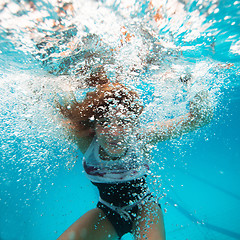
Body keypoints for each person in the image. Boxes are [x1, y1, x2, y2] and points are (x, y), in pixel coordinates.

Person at [56, 69, 213, 240]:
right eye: (105, 122)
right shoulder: (86, 141)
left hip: (145, 207)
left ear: (133, 124)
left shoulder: (142, 138)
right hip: (107, 210)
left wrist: (192, 80)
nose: (114, 133)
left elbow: (199, 119)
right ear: (94, 126)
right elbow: (64, 102)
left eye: (123, 122)